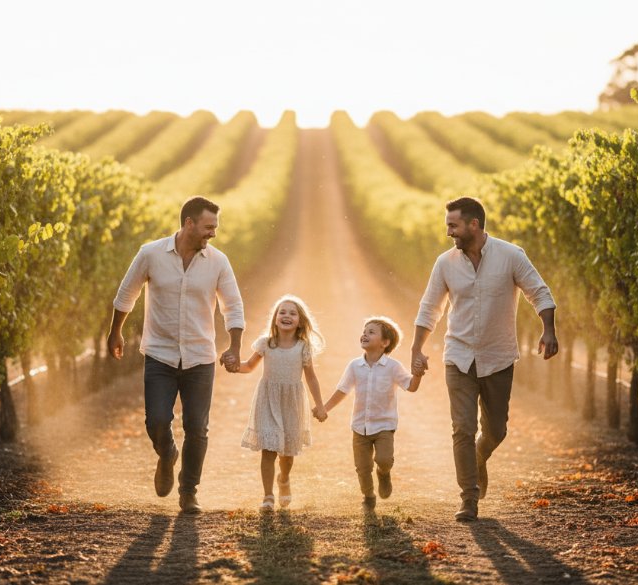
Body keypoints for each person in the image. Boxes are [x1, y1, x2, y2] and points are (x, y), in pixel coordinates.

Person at [411, 196, 558, 522]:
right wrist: (416, 349)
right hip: (459, 357)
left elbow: (539, 291)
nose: (449, 232)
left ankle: (481, 454)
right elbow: (429, 308)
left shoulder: (510, 255)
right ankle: (469, 499)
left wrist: (548, 329)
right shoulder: (445, 263)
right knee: (461, 428)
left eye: (454, 225)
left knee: (496, 430)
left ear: (473, 225)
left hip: (498, 357)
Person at [108, 196, 245, 514]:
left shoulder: (218, 262)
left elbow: (233, 306)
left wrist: (234, 345)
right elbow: (127, 292)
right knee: (156, 421)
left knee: (197, 427)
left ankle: (188, 492)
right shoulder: (151, 254)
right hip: (160, 354)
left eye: (216, 228)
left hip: (200, 357)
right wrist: (115, 331)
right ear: (189, 224)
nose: (213, 234)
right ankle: (167, 454)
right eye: (209, 227)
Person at [235, 295, 327, 511]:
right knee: (268, 449)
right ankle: (267, 496)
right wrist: (232, 365)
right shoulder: (266, 344)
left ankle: (284, 479)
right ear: (275, 318)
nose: (287, 316)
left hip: (291, 402)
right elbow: (249, 366)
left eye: (292, 313)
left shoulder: (302, 347)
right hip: (267, 399)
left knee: (286, 452)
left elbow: (311, 377)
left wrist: (320, 405)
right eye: (282, 312)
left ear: (300, 321)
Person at [322, 316, 422, 511]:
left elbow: (411, 386)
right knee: (362, 467)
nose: (364, 334)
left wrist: (418, 373)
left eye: (371, 332)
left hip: (384, 426)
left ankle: (384, 473)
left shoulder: (393, 367)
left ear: (385, 343)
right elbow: (343, 389)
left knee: (383, 459)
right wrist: (325, 408)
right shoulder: (354, 366)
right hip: (360, 426)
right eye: (364, 331)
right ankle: (368, 496)